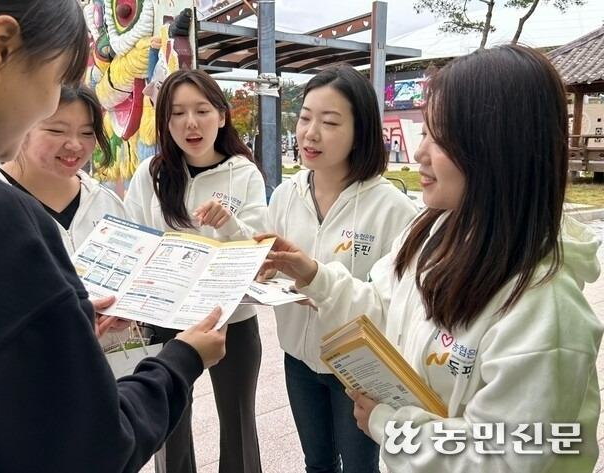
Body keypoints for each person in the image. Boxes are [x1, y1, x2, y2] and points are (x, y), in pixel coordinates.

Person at [255, 44, 603, 472]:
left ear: (495, 148)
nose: (418, 153)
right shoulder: (432, 234)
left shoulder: (546, 309)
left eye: (439, 138)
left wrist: (390, 424)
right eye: (425, 133)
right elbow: (382, 308)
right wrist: (314, 275)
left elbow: (511, 457)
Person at [0, 2, 227, 472]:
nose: (53, 103)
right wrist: (181, 359)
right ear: (1, 47)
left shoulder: (95, 201)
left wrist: (67, 321)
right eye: (54, 79)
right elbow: (91, 450)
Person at [264, 65, 418, 473]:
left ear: (360, 131)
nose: (310, 133)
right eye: (305, 117)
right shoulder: (285, 195)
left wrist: (321, 285)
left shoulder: (392, 209)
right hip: (298, 359)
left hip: (358, 370)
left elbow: (399, 305)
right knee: (316, 463)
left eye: (329, 122)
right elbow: (274, 265)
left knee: (358, 467)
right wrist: (263, 272)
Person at [125, 68, 267, 473]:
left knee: (239, 424)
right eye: (177, 113)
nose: (190, 123)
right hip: (167, 320)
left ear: (222, 116)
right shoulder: (150, 176)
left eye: (202, 110)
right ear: (165, 121)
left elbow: (259, 254)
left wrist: (230, 224)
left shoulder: (244, 174)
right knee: (169, 427)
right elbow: (135, 244)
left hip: (232, 321)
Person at [0, 83, 132, 343]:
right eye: (56, 130)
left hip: (110, 372)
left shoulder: (106, 202)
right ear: (22, 126)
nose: (75, 145)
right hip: (24, 373)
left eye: (86, 132)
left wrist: (126, 309)